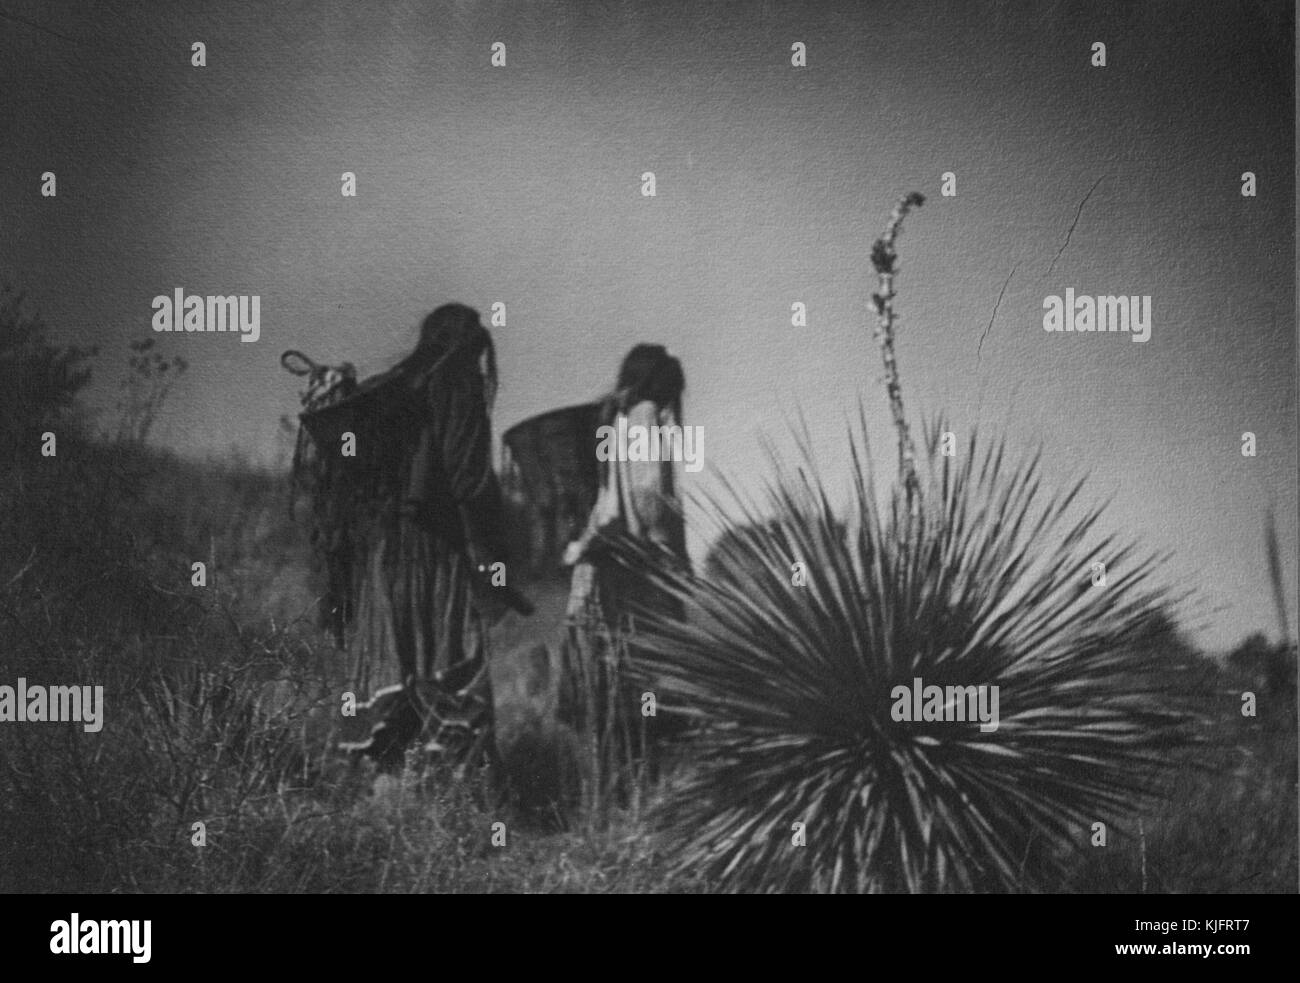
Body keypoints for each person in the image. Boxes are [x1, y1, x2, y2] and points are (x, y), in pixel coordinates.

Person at [340, 303, 528, 777]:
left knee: (396, 672)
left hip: (383, 556)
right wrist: (492, 557)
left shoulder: (389, 393)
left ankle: (390, 800)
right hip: (435, 555)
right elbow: (470, 481)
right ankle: (452, 798)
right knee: (449, 672)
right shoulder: (457, 384)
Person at [559, 344, 689, 801]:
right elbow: (647, 492)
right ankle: (642, 802)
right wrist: (664, 553)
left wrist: (585, 547)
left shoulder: (611, 420)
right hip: (639, 577)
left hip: (603, 575)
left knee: (609, 692)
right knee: (648, 690)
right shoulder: (646, 415)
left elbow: (606, 504)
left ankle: (610, 801)